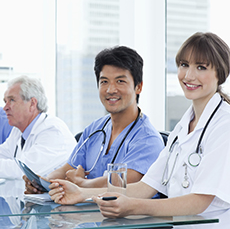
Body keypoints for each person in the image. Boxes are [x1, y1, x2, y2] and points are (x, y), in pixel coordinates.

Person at [49, 32, 230, 217]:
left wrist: (132, 206)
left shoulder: (224, 125)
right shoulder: (183, 127)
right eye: (184, 65)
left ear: (221, 73)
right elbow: (145, 187)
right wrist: (81, 194)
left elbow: (199, 201)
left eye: (201, 67)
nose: (189, 75)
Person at [24, 46, 164, 194]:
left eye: (120, 81)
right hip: (87, 214)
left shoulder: (148, 140)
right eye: (104, 82)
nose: (110, 90)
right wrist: (42, 182)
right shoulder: (95, 129)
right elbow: (68, 169)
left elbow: (124, 183)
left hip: (129, 217)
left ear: (138, 87)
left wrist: (81, 184)